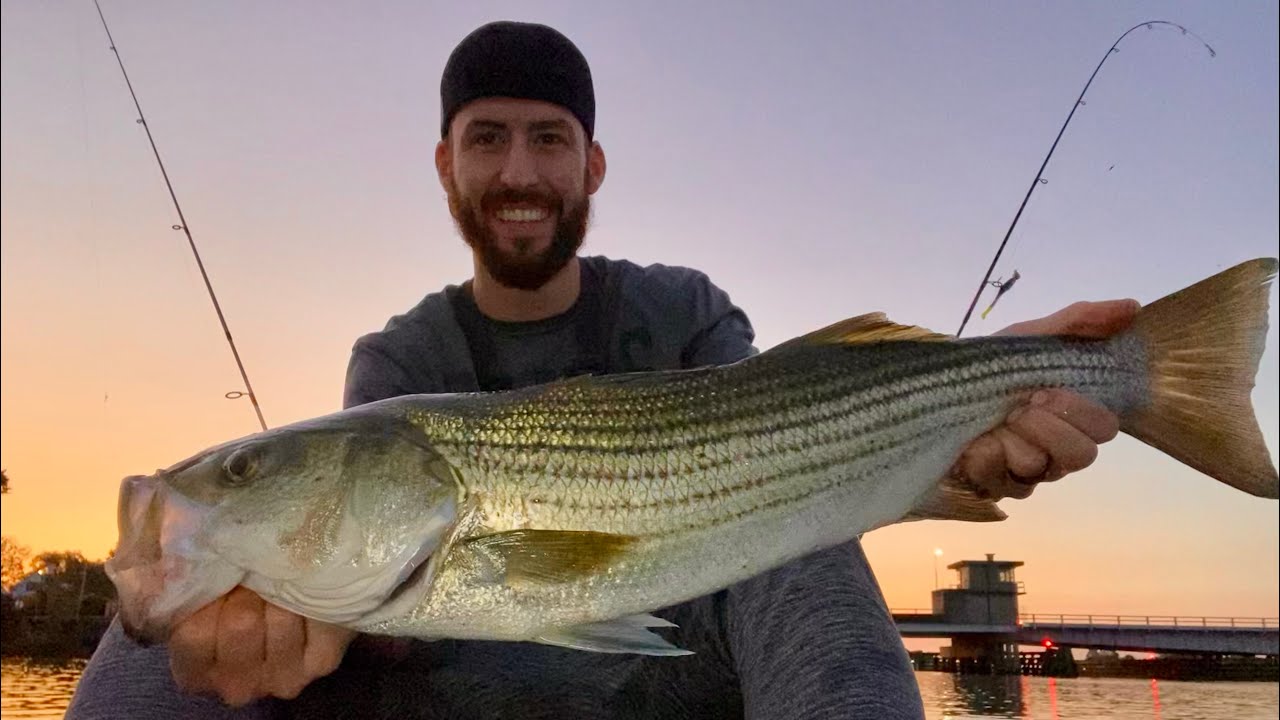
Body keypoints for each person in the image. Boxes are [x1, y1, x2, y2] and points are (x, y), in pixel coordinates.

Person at [66, 20, 1132, 720]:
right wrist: (287, 634)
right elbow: (361, 579)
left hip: (688, 647)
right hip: (453, 673)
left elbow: (795, 440)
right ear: (446, 164)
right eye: (486, 139)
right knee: (151, 649)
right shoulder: (399, 362)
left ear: (592, 164)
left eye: (548, 138)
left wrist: (982, 393)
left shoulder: (685, 311)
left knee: (802, 550)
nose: (518, 172)